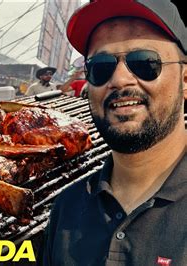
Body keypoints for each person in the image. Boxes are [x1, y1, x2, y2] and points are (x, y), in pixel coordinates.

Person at [40, 0, 187, 265]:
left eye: (145, 62)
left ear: (185, 80)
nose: (119, 80)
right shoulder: (67, 208)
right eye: (101, 66)